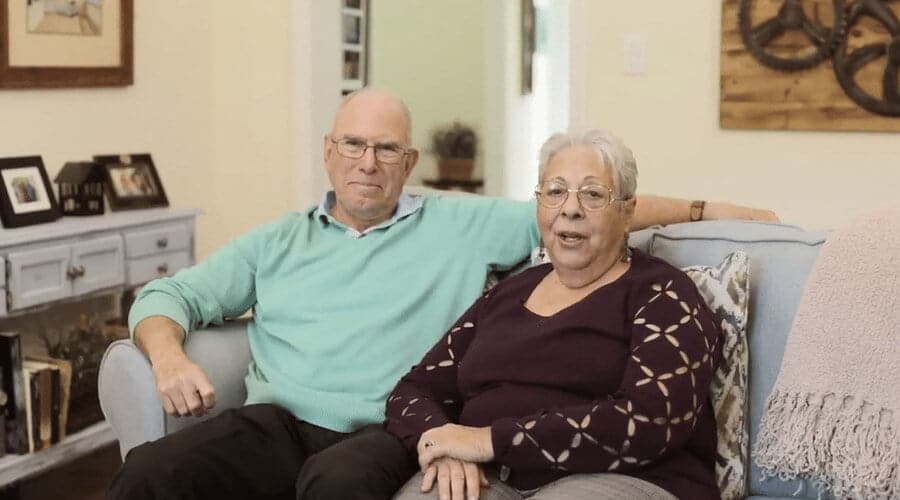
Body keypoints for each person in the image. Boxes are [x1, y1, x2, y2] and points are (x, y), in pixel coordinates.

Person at [109, 88, 773, 500]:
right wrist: (168, 359)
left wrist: (705, 208)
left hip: (380, 431)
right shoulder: (277, 240)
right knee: (150, 474)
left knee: (336, 484)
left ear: (411, 162)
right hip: (279, 422)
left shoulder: (467, 223)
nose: (368, 162)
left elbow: (586, 208)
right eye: (354, 145)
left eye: (387, 149)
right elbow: (168, 295)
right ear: (328, 151)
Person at [378, 129, 721, 500]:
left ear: (627, 211)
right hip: (490, 477)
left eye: (592, 194)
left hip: (623, 479)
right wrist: (443, 447)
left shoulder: (662, 292)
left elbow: (651, 419)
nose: (569, 209)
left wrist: (490, 440)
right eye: (555, 191)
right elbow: (412, 392)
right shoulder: (507, 295)